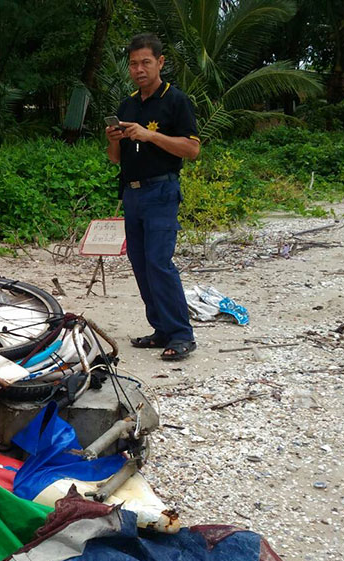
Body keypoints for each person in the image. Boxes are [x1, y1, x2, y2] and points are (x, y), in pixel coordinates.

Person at [106, 32, 200, 361]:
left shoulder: (176, 100)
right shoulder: (128, 104)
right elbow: (115, 158)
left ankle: (181, 334)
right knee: (142, 265)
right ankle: (161, 329)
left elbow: (192, 149)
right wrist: (114, 137)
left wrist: (150, 135)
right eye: (133, 64)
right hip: (131, 194)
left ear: (160, 62)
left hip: (162, 190)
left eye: (146, 62)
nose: (139, 69)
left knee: (159, 263)